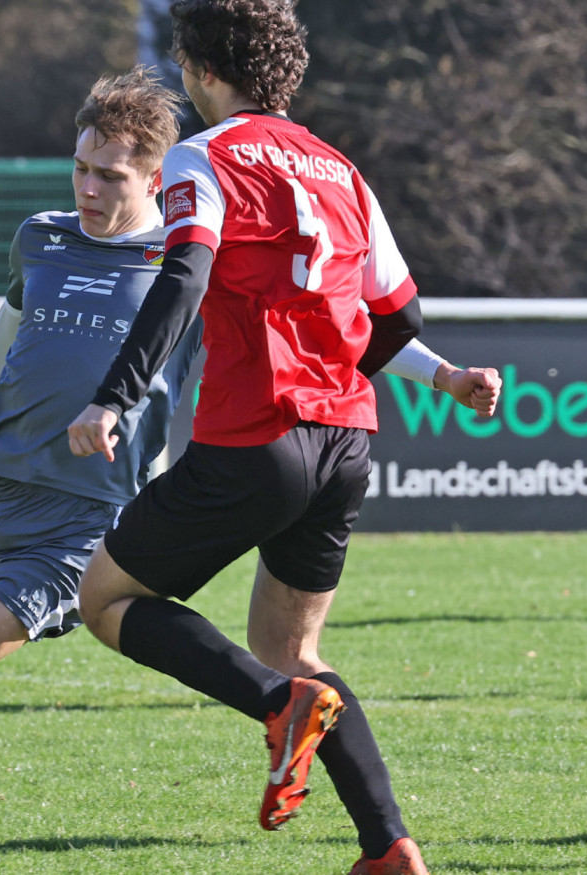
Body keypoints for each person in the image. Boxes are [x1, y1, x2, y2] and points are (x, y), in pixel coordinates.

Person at [0, 65, 494, 842]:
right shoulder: (40, 236)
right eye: (81, 168)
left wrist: (442, 372)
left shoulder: (188, 258)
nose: (89, 187)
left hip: (75, 527)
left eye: (110, 175)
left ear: (155, 178)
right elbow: (8, 329)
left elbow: (338, 315)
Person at [67, 3, 499, 873]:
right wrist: (444, 375)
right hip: (345, 440)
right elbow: (393, 314)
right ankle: (389, 847)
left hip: (256, 435)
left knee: (104, 602)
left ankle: (276, 704)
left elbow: (185, 275)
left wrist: (112, 398)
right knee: (295, 647)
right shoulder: (342, 169)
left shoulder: (203, 157)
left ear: (196, 68)